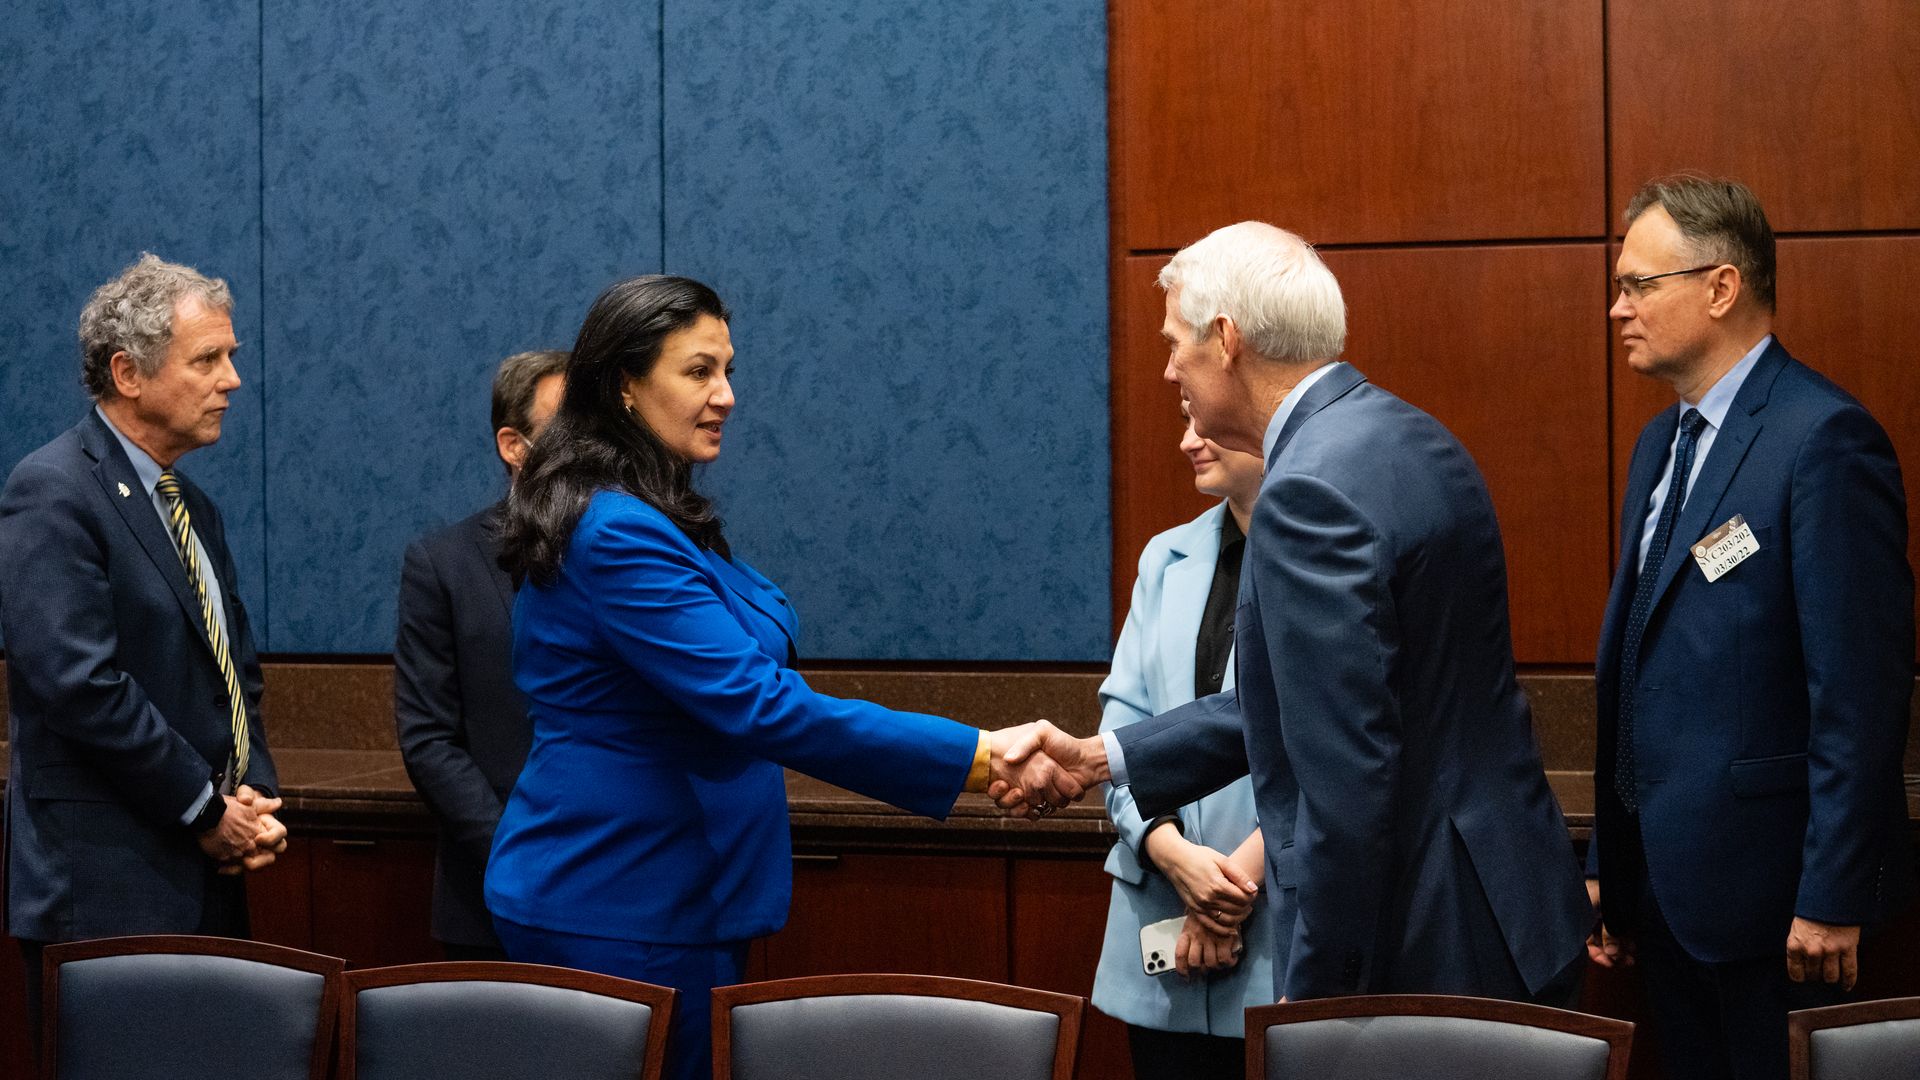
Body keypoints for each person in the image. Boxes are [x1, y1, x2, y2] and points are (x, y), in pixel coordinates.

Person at [481, 274, 1070, 1080]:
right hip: (618, 894)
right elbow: (758, 703)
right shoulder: (617, 530)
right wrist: (980, 757)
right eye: (698, 371)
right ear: (623, 383)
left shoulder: (646, 511)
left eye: (728, 369)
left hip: (667, 887)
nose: (725, 395)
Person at [999, 222, 1593, 1007]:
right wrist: (1100, 759)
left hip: (1429, 940)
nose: (1169, 368)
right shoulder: (1409, 436)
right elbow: (1303, 703)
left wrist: (1317, 998)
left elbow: (1346, 779)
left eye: (1176, 343)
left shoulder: (1307, 491)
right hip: (1509, 906)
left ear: (1226, 338)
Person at [1586, 175, 1913, 1080]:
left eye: (1638, 286)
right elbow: (1643, 664)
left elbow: (1859, 689)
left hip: (1784, 911)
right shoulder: (1661, 445)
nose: (1618, 309)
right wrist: (1611, 865)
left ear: (1721, 287)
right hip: (1666, 899)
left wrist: (1833, 893)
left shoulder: (1825, 440)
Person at [0, 254, 287, 1046]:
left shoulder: (192, 504)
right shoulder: (53, 490)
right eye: (208, 359)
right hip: (106, 884)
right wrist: (202, 807)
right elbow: (79, 683)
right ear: (128, 372)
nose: (231, 379)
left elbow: (235, 672)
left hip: (209, 867)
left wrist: (250, 792)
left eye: (229, 357)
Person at [1092, 402, 1270, 1079]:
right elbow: (1119, 737)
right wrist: (1175, 857)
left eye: (1204, 419)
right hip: (1160, 921)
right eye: (1183, 417)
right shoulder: (1165, 558)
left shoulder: (1329, 559)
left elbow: (1339, 753)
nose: (1186, 439)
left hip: (1279, 926)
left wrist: (1230, 888)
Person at [394, 349, 565, 961]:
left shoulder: (635, 557)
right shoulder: (445, 563)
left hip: (623, 897)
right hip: (493, 895)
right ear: (513, 446)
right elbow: (429, 739)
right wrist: (517, 854)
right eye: (568, 428)